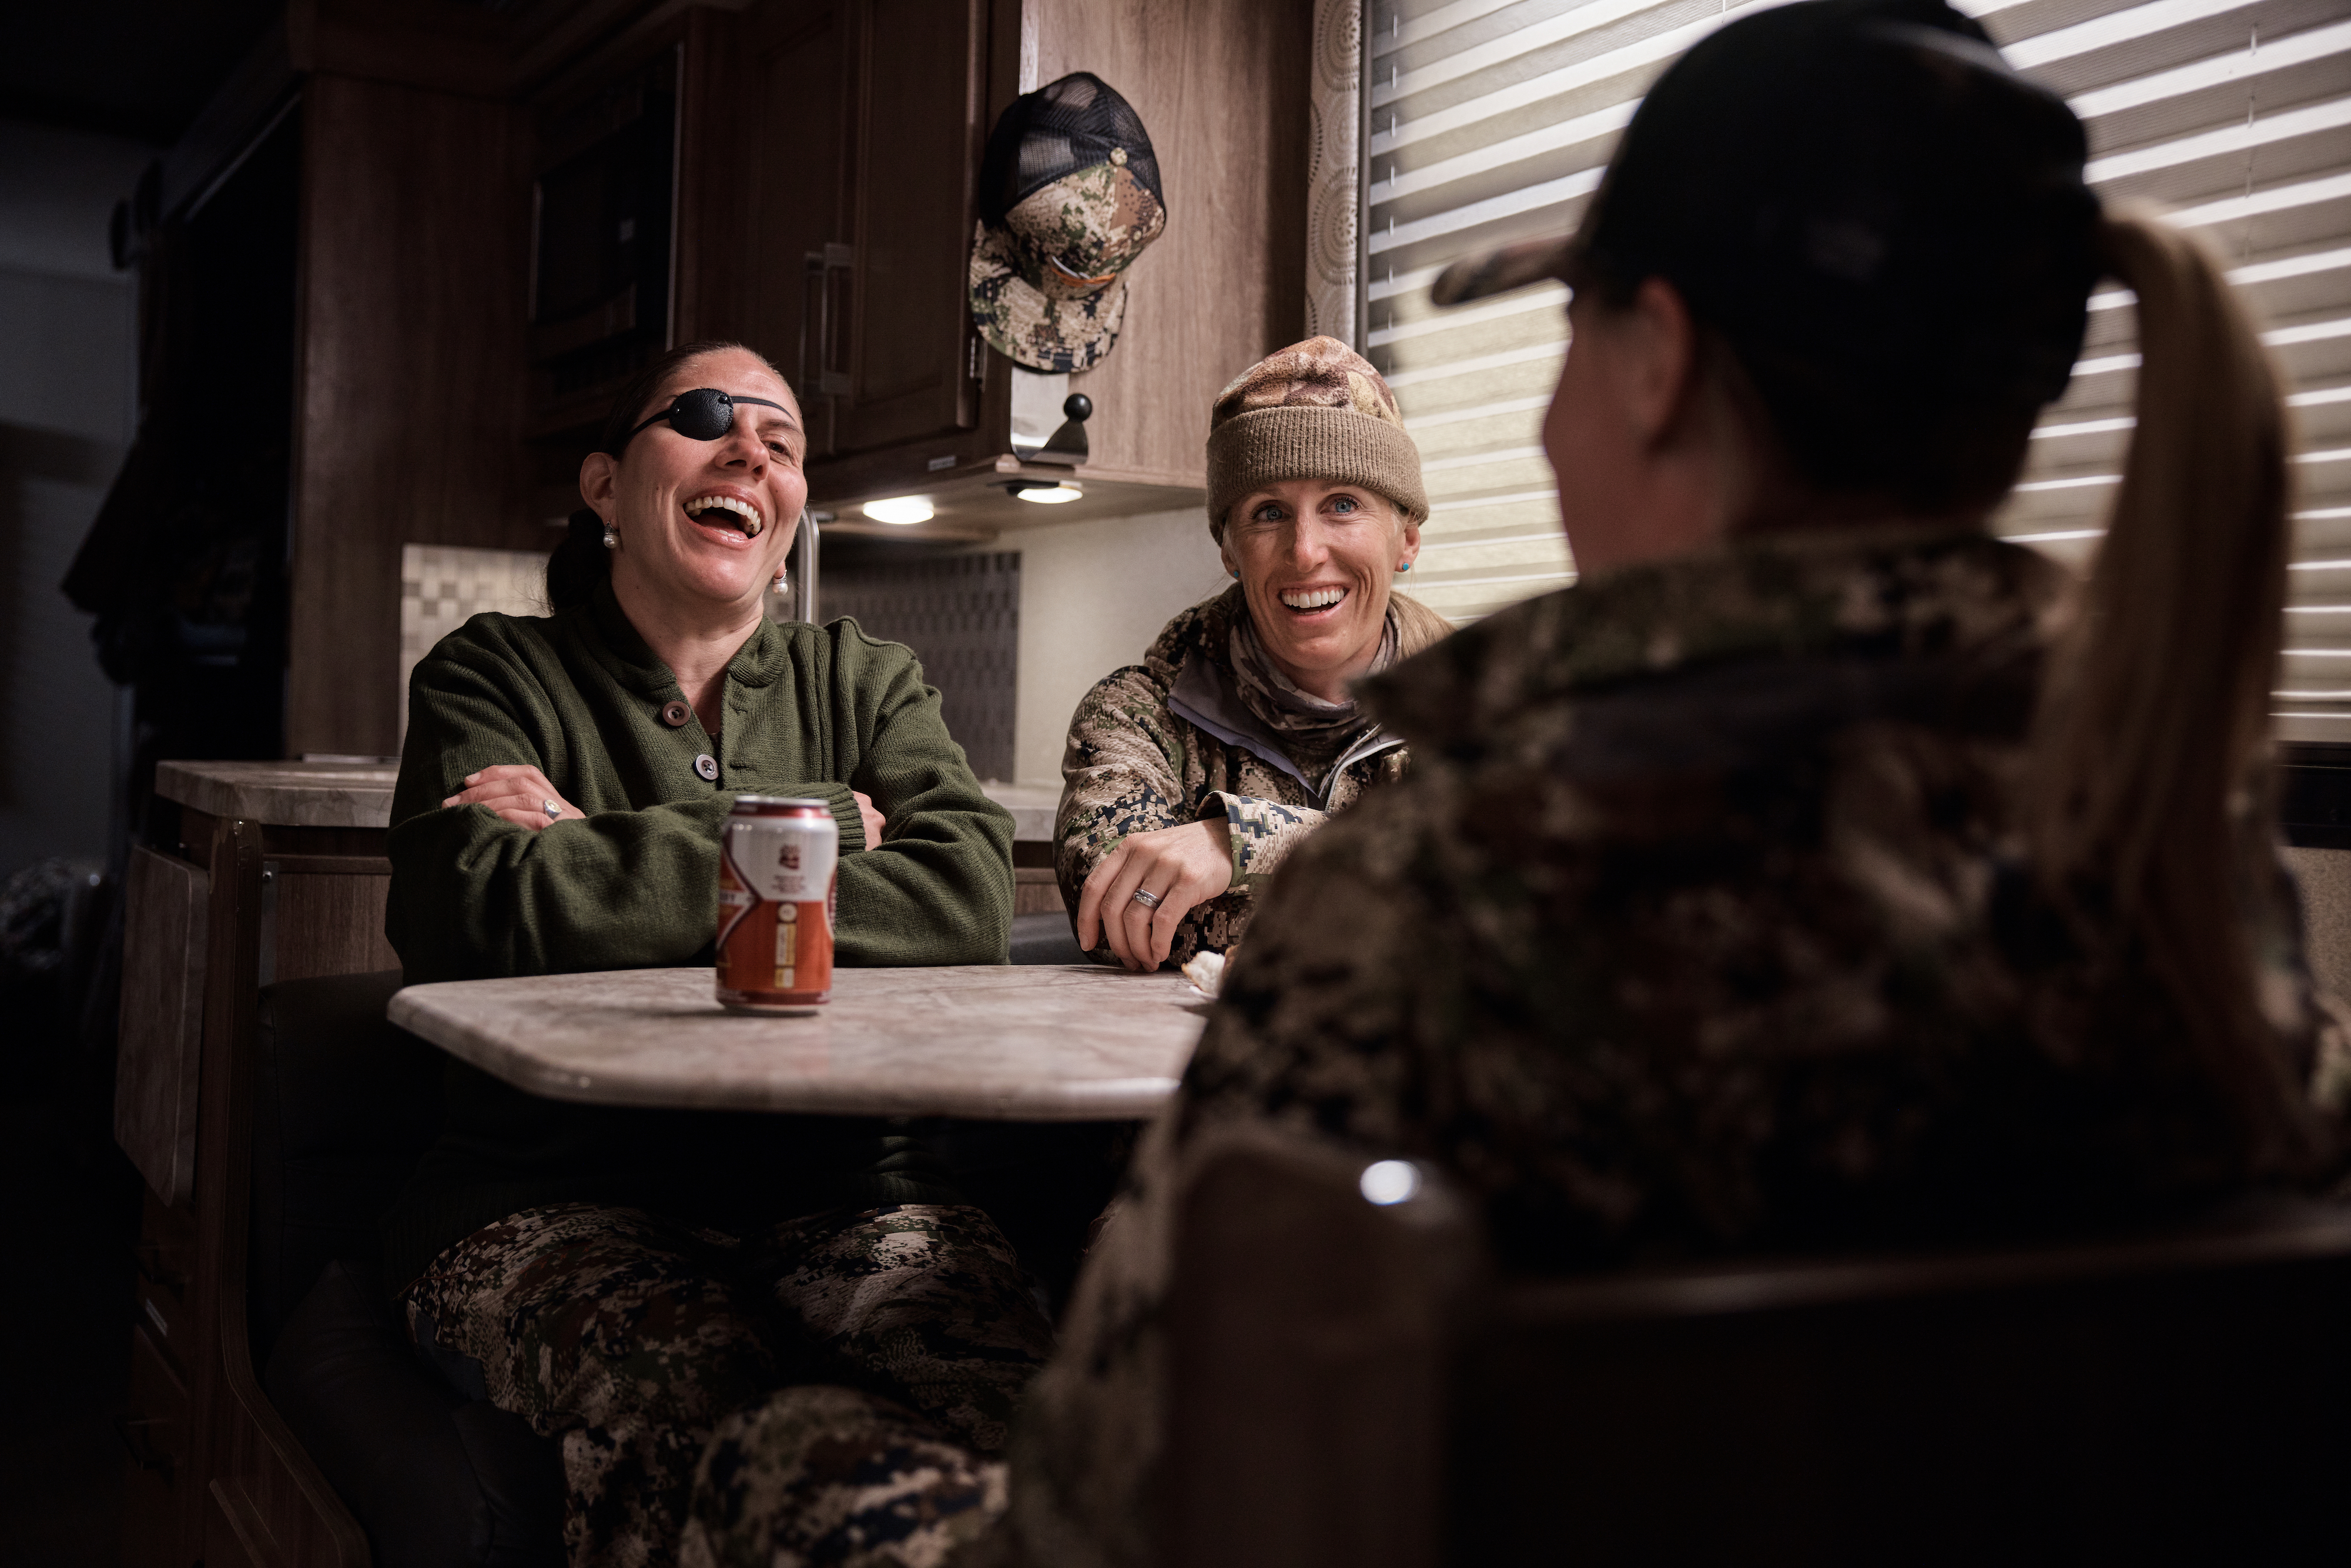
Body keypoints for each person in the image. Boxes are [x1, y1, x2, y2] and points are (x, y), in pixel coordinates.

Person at [671, 2, 2351, 1562]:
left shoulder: (1438, 898)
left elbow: (1127, 1513)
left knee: (745, 1423)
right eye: (1267, 512)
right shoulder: (2195, 874)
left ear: (1656, 361)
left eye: (1569, 336)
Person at [378, 340, 1044, 1567]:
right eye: (702, 419)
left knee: (1007, 1397)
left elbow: (964, 893)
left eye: (781, 441)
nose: (749, 450)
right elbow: (472, 903)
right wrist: (828, 820)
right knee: (690, 1377)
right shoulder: (493, 669)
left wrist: (596, 853)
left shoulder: (867, 677)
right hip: (539, 1198)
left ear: (789, 518)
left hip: (843, 1193)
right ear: (603, 488)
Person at [1056, 336, 1453, 970]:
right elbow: (1122, 908)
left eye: (1342, 505)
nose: (1304, 552)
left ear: (1405, 540)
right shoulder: (1135, 717)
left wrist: (1242, 844)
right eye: (1268, 513)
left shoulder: (1489, 706)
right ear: (1229, 551)